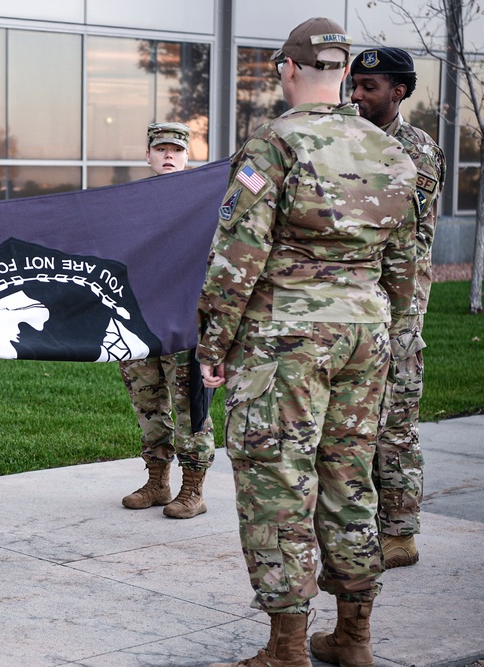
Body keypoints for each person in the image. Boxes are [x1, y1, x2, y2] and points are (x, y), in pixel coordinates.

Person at [195, 18, 419, 667]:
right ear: (344, 75)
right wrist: (390, 327)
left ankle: (286, 646)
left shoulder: (275, 145)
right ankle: (354, 637)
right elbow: (403, 263)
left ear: (289, 71)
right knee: (351, 478)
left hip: (286, 337)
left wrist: (213, 342)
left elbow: (236, 256)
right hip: (367, 334)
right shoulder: (390, 153)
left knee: (278, 482)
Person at [350, 47, 447, 569]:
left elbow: (403, 235)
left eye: (370, 87)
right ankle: (359, 526)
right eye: (355, 85)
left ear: (399, 92)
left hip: (398, 308)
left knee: (395, 422)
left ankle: (401, 533)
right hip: (353, 305)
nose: (357, 95)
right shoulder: (346, 135)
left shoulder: (417, 150)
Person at [119, 122, 215, 519]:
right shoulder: (131, 200)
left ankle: (193, 489)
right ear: (148, 155)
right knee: (147, 401)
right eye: (161, 149)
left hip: (186, 320)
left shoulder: (205, 199)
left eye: (177, 149)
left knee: (190, 406)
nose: (169, 155)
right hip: (139, 319)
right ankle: (157, 482)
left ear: (188, 155)